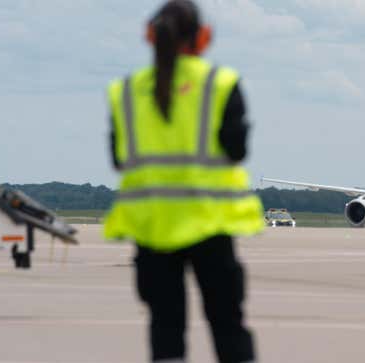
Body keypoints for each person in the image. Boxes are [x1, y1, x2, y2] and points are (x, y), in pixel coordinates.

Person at [103, 1, 264, 362]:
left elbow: (118, 159)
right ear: (203, 37)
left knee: (165, 327)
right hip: (210, 224)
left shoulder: (126, 91)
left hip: (153, 228)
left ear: (150, 35)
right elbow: (236, 151)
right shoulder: (220, 84)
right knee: (227, 326)